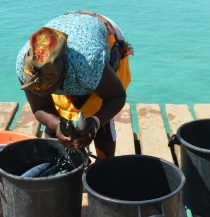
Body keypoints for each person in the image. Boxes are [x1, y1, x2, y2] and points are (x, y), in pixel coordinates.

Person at [16, 11, 133, 159]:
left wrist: (96, 122)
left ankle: (104, 167)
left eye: (46, 86)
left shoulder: (89, 64)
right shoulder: (26, 66)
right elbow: (40, 107)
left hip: (98, 36)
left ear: (63, 74)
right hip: (66, 35)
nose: (39, 93)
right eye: (35, 87)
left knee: (100, 115)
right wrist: (58, 125)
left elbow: (116, 96)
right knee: (58, 115)